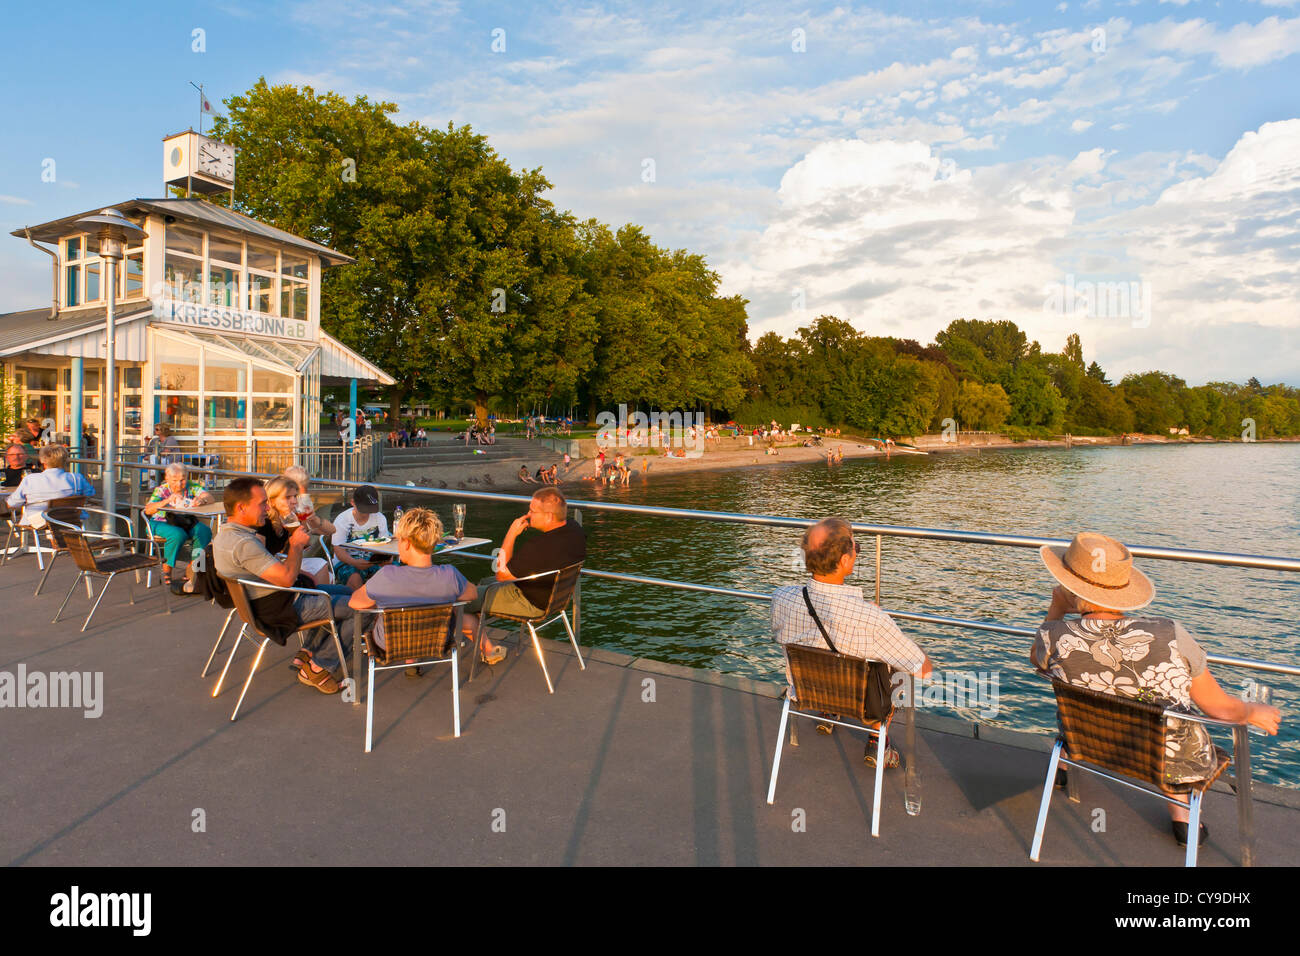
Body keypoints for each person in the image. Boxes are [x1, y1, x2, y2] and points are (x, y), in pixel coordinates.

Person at [1031, 531, 1281, 849]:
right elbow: (1220, 709)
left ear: (1068, 587)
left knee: (1090, 700)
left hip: (1090, 742)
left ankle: (1065, 765)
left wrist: (1055, 608)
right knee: (1170, 734)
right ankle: (1183, 819)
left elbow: (1035, 658)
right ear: (1122, 591)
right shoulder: (1169, 635)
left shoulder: (1055, 636)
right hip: (1166, 758)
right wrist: (1250, 711)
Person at [771, 517, 934, 768]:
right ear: (845, 561)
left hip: (806, 690)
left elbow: (780, 634)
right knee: (899, 667)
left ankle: (828, 712)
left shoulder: (780, 598)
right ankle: (877, 739)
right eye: (855, 548)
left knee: (822, 649)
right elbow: (923, 670)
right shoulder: (871, 619)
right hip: (862, 703)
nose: (857, 552)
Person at [213, 477, 352, 694]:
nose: (266, 507)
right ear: (241, 507)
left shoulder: (226, 535)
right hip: (281, 607)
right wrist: (296, 545)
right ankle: (318, 667)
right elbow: (287, 579)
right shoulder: (244, 544)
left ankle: (310, 652)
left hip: (264, 603)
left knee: (347, 592)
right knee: (362, 608)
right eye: (262, 503)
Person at [349, 507, 500, 670]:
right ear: (434, 543)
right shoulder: (449, 575)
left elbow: (355, 603)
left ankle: (410, 659)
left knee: (377, 608)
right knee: (458, 610)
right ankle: (488, 649)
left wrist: (383, 598)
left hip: (389, 644)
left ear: (406, 543)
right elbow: (472, 594)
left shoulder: (386, 576)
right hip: (437, 641)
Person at [465, 487, 586, 665]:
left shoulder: (538, 546)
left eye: (532, 511)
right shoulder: (575, 530)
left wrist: (511, 533)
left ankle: (484, 648)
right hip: (554, 600)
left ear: (549, 517)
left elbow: (501, 574)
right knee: (482, 584)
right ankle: (478, 631)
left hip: (529, 602)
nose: (528, 514)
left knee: (463, 600)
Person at [262, 475, 342, 589]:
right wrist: (302, 573)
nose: (294, 501)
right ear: (272, 500)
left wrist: (314, 518)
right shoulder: (264, 522)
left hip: (286, 561)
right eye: (287, 497)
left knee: (320, 564)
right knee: (318, 567)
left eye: (295, 496)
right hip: (272, 568)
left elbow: (331, 530)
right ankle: (318, 599)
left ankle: (321, 598)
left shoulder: (292, 516)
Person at [143, 462, 214, 589]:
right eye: (174, 480)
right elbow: (148, 510)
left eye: (182, 480)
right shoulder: (162, 490)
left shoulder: (191, 486)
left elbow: (209, 497)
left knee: (204, 531)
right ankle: (167, 569)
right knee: (177, 534)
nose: (179, 484)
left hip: (185, 521)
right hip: (160, 522)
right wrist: (167, 501)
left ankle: (192, 568)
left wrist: (201, 500)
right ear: (167, 478)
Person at [6, 444, 95, 531]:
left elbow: (12, 503)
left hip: (39, 521)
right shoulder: (76, 478)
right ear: (65, 460)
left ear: (42, 460)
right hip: (70, 519)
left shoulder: (30, 479)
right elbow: (90, 493)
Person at [331, 484, 391, 591]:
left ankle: (386, 604)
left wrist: (386, 558)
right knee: (354, 579)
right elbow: (338, 551)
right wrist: (354, 562)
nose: (367, 513)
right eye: (364, 509)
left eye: (370, 509)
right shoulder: (342, 520)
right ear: (353, 502)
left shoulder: (380, 518)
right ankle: (358, 605)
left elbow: (385, 546)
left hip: (372, 561)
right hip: (346, 562)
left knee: (393, 572)